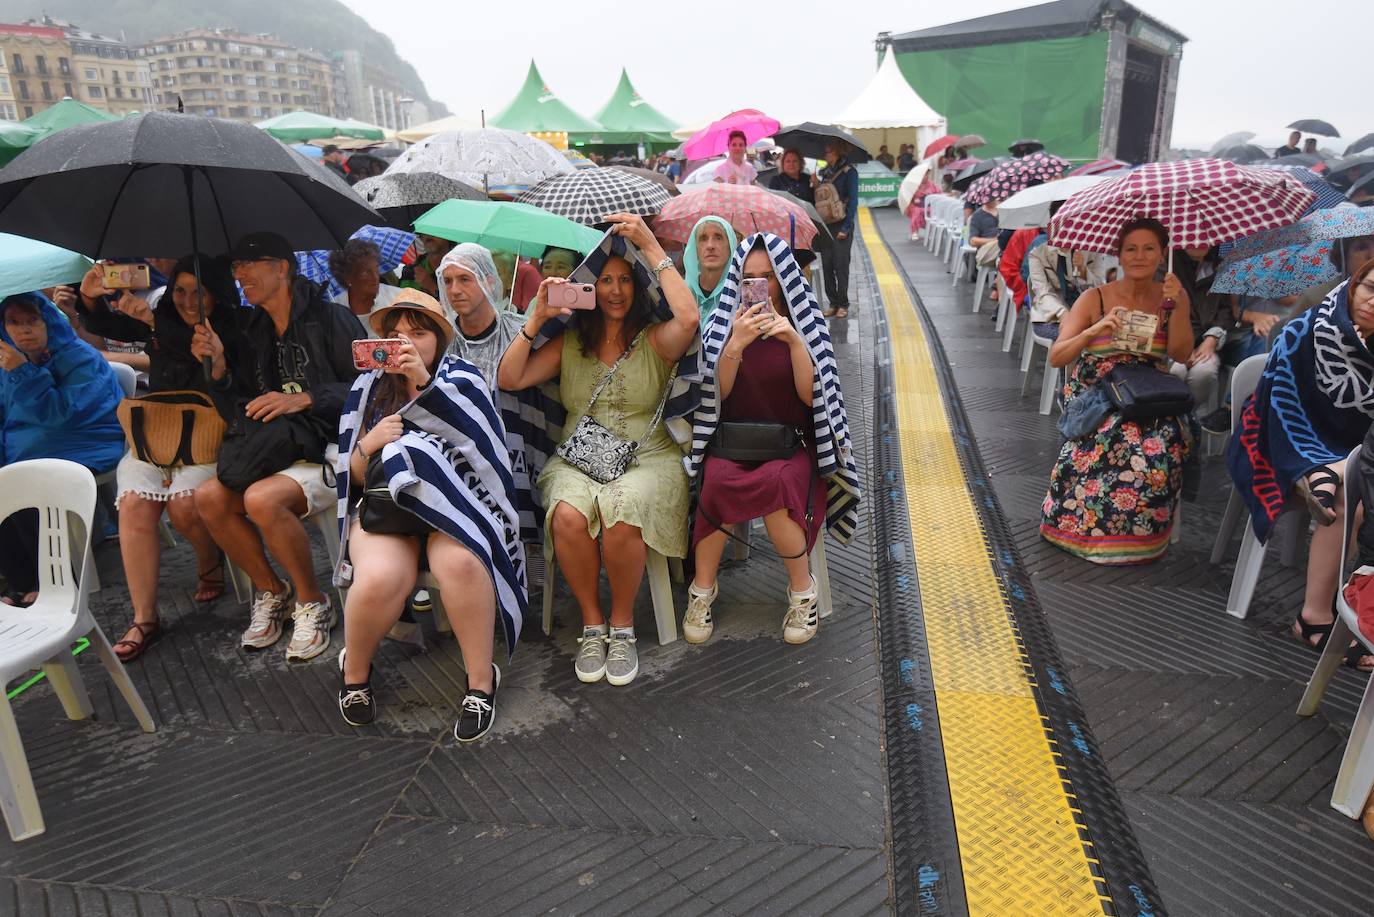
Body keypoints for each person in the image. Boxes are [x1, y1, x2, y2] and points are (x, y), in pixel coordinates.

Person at [497, 214, 698, 686]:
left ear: (639, 287)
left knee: (620, 508)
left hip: (648, 457)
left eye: (625, 280)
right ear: (588, 287)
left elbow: (689, 318)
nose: (614, 290)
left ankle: (623, 626)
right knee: (568, 513)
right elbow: (509, 378)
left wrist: (648, 243)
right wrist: (538, 318)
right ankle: (593, 624)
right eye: (604, 279)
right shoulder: (571, 342)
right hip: (579, 457)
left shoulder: (654, 341)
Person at [332, 289, 525, 740]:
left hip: (454, 509)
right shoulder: (368, 386)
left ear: (439, 338)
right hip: (386, 513)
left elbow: (487, 456)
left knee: (460, 562)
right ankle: (354, 672)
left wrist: (425, 388)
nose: (405, 342)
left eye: (418, 333)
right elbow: (354, 474)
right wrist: (373, 441)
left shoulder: (463, 378)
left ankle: (481, 682)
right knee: (381, 577)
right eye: (395, 333)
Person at [194, 232, 362, 661]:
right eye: (236, 267)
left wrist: (307, 397)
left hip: (331, 450)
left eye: (249, 264)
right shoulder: (254, 331)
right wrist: (217, 368)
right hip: (278, 448)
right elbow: (246, 403)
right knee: (209, 498)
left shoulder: (332, 319)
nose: (239, 274)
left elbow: (372, 389)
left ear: (282, 268)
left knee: (261, 499)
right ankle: (273, 591)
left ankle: (313, 602)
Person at [684, 234, 860, 645]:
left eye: (768, 277)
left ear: (783, 279)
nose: (758, 287)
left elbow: (811, 398)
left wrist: (794, 342)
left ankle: (802, 591)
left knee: (778, 484)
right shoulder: (723, 323)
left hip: (791, 444)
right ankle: (702, 591)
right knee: (717, 482)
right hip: (734, 441)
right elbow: (716, 397)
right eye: (749, 278)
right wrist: (736, 344)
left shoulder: (806, 324)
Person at [74, 255, 248, 660]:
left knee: (185, 506)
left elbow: (218, 374)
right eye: (180, 290)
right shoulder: (160, 316)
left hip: (208, 434)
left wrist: (158, 325)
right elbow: (104, 325)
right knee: (133, 504)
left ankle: (209, 559)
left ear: (216, 295)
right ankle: (144, 618)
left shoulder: (234, 329)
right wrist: (89, 297)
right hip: (156, 432)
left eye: (197, 292)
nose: (188, 301)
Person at [1228, 258, 1374, 672]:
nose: (1371, 301)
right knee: (1349, 501)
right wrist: (1315, 461)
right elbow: (1279, 407)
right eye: (1367, 287)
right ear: (1353, 284)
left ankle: (1362, 610)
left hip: (1354, 455)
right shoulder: (1306, 330)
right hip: (1277, 444)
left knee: (1356, 483)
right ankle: (1313, 617)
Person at [1041, 218, 1195, 563]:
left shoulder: (1171, 298)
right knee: (1112, 437)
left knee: (1159, 444)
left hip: (1148, 393)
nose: (1139, 256)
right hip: (1096, 391)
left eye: (1149, 249)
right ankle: (1083, 530)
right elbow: (1057, 356)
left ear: (1162, 255)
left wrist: (1180, 303)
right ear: (1119, 255)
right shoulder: (1093, 298)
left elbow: (1183, 355)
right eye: (1131, 249)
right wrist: (1094, 330)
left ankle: (1142, 537)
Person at [0, 292, 125, 607]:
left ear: (49, 321)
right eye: (13, 322)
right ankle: (22, 581)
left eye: (32, 320)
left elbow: (62, 414)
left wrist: (22, 373)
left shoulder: (80, 357)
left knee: (26, 482)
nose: (24, 330)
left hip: (84, 443)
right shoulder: (8, 359)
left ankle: (55, 583)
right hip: (28, 446)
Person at [437, 243, 524, 387]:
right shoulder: (440, 335)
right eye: (447, 281)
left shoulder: (519, 332)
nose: (454, 290)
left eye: (464, 279)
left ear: (489, 283)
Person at [1167, 247, 1228, 406]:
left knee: (1204, 372)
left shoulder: (1219, 266)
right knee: (1176, 371)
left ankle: (1190, 416)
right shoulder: (1168, 267)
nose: (1199, 244)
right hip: (1173, 342)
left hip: (1208, 339)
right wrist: (1183, 346)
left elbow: (1225, 310)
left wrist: (1212, 339)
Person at [820, 139, 860, 319]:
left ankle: (843, 304)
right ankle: (833, 303)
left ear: (836, 152)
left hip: (842, 224)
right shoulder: (825, 173)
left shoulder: (850, 172)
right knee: (827, 265)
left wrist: (846, 227)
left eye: (827, 151)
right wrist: (816, 184)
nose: (825, 154)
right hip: (826, 224)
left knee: (841, 265)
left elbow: (853, 201)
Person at [683, 215, 740, 329]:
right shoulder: (682, 293)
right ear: (695, 248)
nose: (710, 246)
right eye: (703, 238)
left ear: (731, 246)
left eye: (718, 238)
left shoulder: (740, 296)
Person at [329, 238, 402, 324]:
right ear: (347, 277)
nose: (375, 277)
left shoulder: (399, 298)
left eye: (376, 269)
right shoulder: (336, 308)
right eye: (366, 272)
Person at [400, 233, 456, 300]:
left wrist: (431, 286)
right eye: (423, 233)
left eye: (435, 230)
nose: (428, 235)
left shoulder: (461, 268)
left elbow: (458, 306)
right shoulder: (409, 272)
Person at [491, 250, 542, 315]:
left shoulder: (517, 317)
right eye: (485, 272)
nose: (489, 278)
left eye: (496, 273)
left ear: (510, 282)